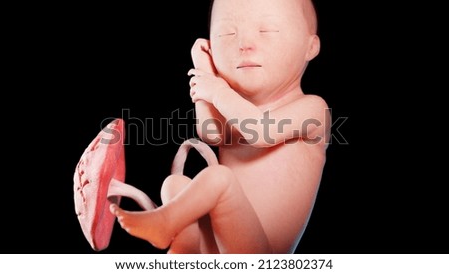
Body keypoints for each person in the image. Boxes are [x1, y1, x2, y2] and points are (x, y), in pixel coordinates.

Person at [110, 0, 330, 254]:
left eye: (267, 30)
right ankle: (185, 250)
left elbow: (260, 131)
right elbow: (211, 133)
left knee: (219, 179)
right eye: (228, 33)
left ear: (310, 46)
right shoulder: (234, 110)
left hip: (261, 252)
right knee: (175, 185)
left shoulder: (313, 109)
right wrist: (205, 71)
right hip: (222, 244)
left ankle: (165, 224)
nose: (244, 44)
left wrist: (218, 92)